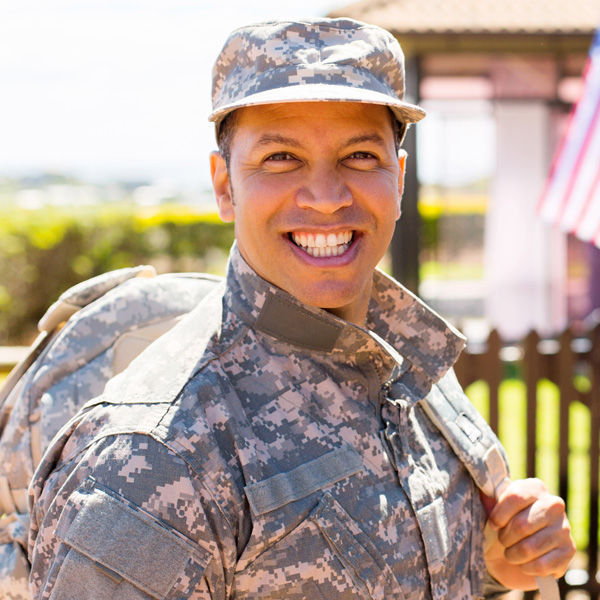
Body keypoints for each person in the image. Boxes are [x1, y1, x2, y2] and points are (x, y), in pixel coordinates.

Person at [28, 17, 575, 599]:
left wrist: (493, 561)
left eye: (360, 155)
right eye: (281, 157)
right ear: (224, 185)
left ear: (399, 179)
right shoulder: (152, 455)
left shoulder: (406, 365)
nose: (326, 197)